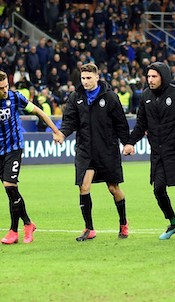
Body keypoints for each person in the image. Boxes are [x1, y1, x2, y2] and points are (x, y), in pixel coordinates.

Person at [0, 71, 64, 244]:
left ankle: (13, 231)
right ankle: (28, 223)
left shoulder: (15, 97)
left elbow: (38, 112)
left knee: (10, 187)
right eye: (1, 88)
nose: (5, 90)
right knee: (11, 191)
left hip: (14, 147)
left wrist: (56, 131)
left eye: (6, 86)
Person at [123, 62, 175, 240]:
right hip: (158, 153)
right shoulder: (146, 96)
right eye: (148, 76)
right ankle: (174, 223)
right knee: (158, 189)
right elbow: (141, 124)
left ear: (163, 77)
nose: (150, 80)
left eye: (154, 76)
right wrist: (130, 142)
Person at [59, 63, 131, 241]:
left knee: (113, 188)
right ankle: (89, 228)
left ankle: (123, 223)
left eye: (89, 78)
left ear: (97, 77)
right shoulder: (76, 97)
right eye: (83, 78)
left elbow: (121, 123)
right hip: (85, 150)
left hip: (107, 149)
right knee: (83, 186)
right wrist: (62, 134)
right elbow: (69, 120)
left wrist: (127, 143)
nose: (85, 81)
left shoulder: (111, 97)